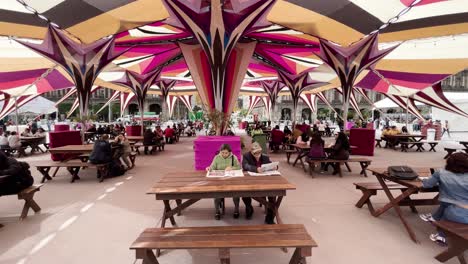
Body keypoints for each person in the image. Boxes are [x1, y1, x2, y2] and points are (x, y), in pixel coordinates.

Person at [419, 153, 468, 244]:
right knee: (452, 207)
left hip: (453, 210)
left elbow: (427, 184)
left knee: (448, 209)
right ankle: (434, 219)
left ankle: (441, 235)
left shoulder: (441, 173)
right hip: (462, 207)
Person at [242, 142, 277, 223]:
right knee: (244, 192)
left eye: (259, 152)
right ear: (251, 152)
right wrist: (256, 169)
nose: (257, 154)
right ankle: (249, 208)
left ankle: (270, 215)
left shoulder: (265, 157)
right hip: (250, 180)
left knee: (272, 193)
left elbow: (270, 164)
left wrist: (274, 167)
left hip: (264, 180)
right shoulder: (246, 156)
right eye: (255, 153)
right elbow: (245, 166)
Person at [207, 144, 241, 220]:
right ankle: (217, 211)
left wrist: (232, 168)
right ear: (220, 151)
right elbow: (212, 167)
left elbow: (239, 167)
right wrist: (209, 168)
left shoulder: (233, 157)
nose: (224, 154)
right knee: (216, 194)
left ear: (229, 152)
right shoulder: (217, 157)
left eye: (226, 153)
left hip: (231, 180)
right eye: (222, 152)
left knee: (236, 193)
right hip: (219, 180)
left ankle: (236, 209)